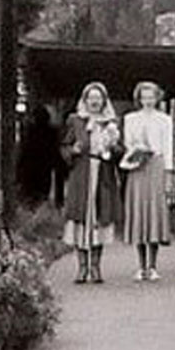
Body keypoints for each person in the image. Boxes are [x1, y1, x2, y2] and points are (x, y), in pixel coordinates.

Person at [61, 82, 122, 283]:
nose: (94, 101)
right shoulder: (75, 121)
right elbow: (64, 148)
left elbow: (120, 152)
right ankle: (81, 267)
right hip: (82, 174)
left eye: (98, 98)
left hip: (102, 174)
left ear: (104, 101)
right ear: (85, 100)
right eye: (91, 98)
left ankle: (95, 267)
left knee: (99, 218)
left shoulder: (111, 123)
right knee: (81, 219)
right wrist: (73, 151)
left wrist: (113, 148)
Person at [121, 80, 173, 281]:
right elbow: (128, 143)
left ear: (157, 98)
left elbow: (167, 148)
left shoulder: (164, 120)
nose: (148, 100)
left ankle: (153, 265)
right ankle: (140, 265)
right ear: (139, 98)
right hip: (137, 166)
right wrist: (137, 150)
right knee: (139, 213)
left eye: (151, 96)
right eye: (144, 96)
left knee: (154, 213)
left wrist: (168, 175)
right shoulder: (130, 119)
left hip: (156, 165)